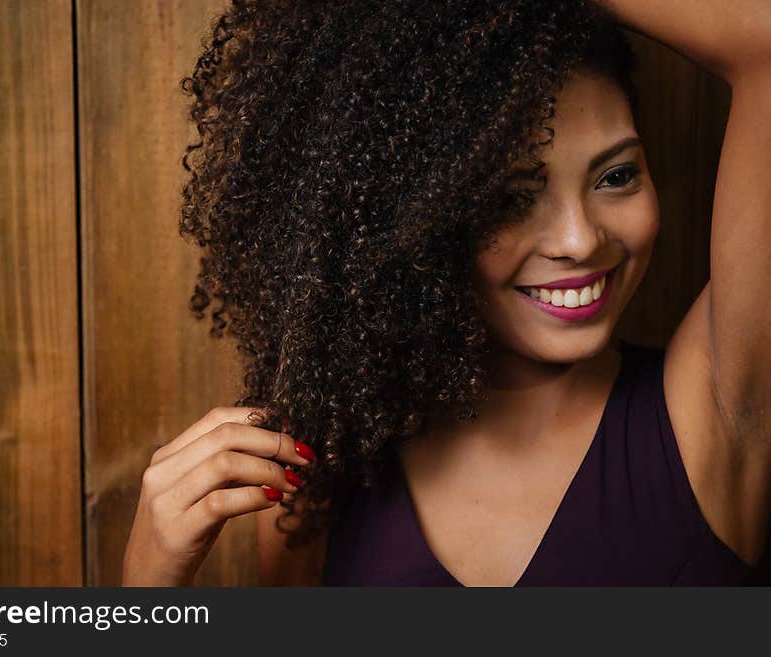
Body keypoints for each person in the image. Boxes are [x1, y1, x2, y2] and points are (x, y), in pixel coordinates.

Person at [121, 0, 771, 586]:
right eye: (512, 197)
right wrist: (148, 584)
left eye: (617, 175)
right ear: (412, 215)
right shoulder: (323, 472)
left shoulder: (720, 409)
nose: (579, 240)